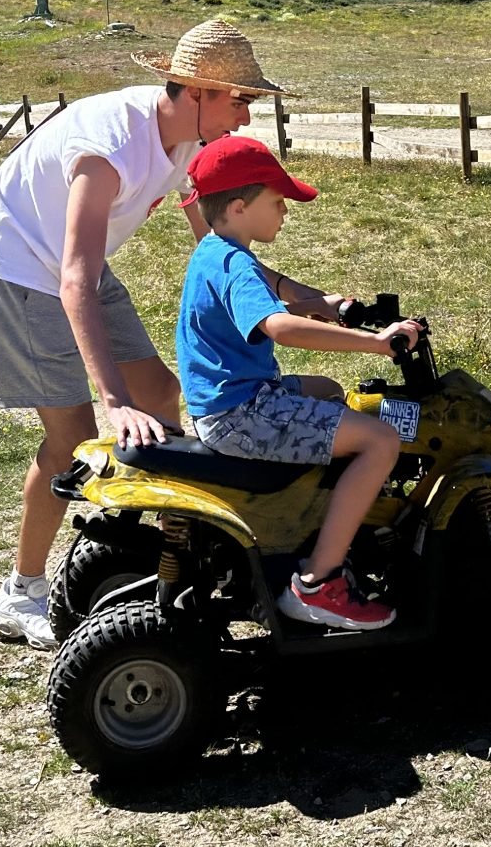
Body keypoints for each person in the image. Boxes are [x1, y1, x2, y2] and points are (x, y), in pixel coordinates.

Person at [0, 20, 347, 649]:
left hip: (74, 264)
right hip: (18, 263)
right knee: (72, 437)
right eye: (240, 101)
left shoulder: (191, 143)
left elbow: (218, 249)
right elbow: (73, 282)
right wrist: (112, 403)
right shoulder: (108, 150)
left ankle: (159, 550)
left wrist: (294, 294)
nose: (246, 119)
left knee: (160, 395)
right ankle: (21, 591)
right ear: (197, 90)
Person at [176, 135, 421, 632]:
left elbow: (281, 288)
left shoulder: (215, 250)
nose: (285, 211)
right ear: (241, 206)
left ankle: (316, 518)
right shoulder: (234, 265)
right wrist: (378, 344)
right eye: (277, 201)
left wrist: (333, 306)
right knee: (380, 440)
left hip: (226, 403)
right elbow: (279, 324)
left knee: (328, 391)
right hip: (243, 415)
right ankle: (318, 581)